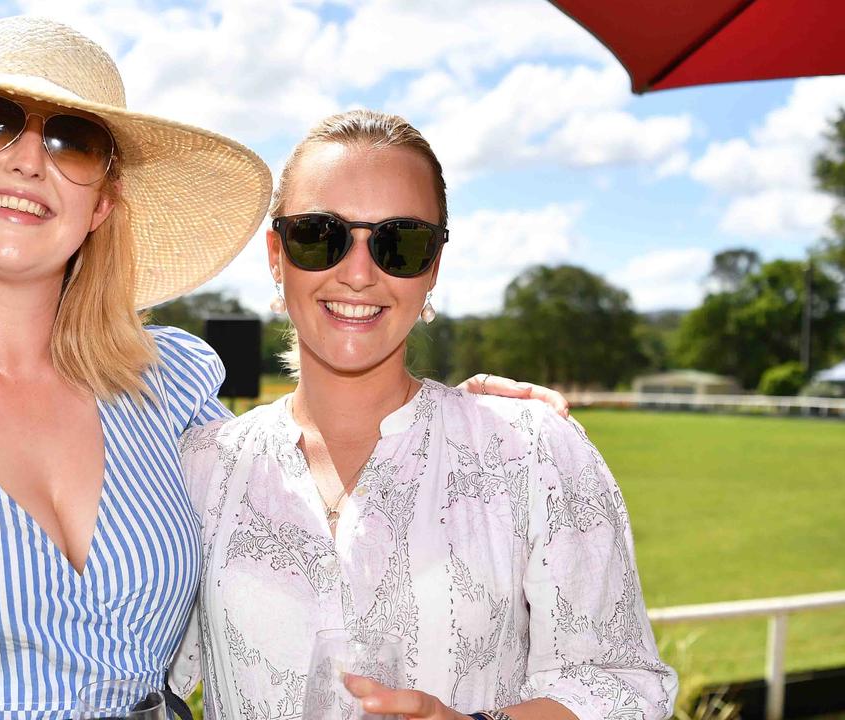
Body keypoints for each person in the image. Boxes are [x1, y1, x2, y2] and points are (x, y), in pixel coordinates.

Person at [0, 17, 569, 720]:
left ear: (101, 203)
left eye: (74, 140)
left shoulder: (167, 387)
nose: (28, 157)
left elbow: (300, 461)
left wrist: (479, 419)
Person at [171, 110, 677, 720]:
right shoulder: (198, 468)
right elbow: (122, 670)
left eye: (399, 244)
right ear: (276, 255)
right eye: (318, 235)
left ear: (434, 265)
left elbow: (622, 688)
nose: (357, 273)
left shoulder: (532, 453)